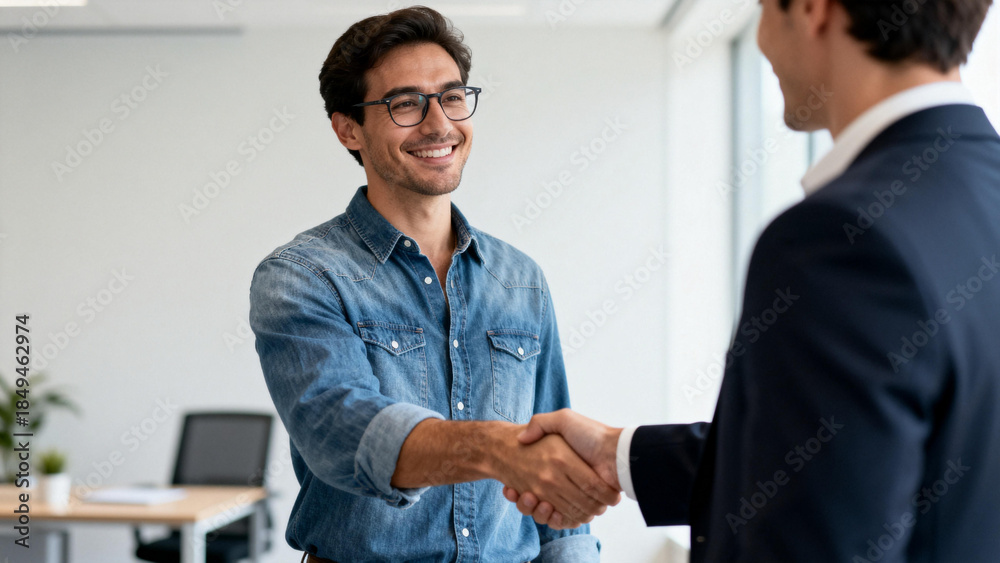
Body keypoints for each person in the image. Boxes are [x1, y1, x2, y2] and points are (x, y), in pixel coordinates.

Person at [505, 0, 1000, 560]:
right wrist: (622, 455)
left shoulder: (839, 238)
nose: (761, 40)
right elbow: (846, 460)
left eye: (764, 7)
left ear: (813, 10)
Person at [248, 6, 619, 563]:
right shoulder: (302, 275)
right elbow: (343, 431)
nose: (440, 124)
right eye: (405, 104)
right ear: (348, 128)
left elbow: (554, 498)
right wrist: (496, 450)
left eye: (451, 96)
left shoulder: (520, 280)